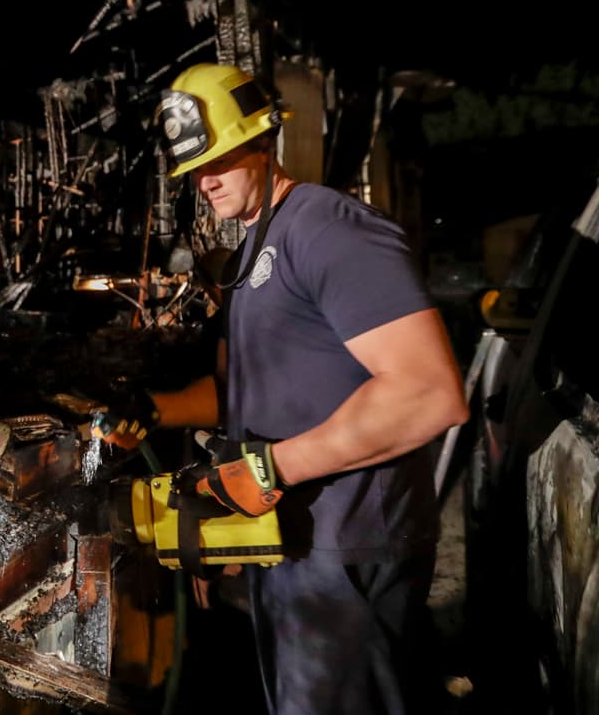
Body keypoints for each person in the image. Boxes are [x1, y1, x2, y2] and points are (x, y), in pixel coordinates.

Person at [100, 62, 468, 714]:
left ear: (264, 139)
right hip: (290, 544)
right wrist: (157, 409)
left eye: (219, 157)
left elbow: (428, 390)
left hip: (346, 550)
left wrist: (272, 467)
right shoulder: (248, 259)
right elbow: (243, 391)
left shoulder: (329, 230)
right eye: (194, 167)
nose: (204, 179)